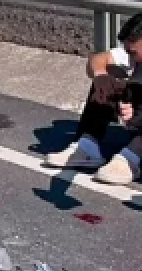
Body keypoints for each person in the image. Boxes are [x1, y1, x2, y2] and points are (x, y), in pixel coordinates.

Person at [42, 12, 142, 185]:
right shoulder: (133, 53)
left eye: (133, 53)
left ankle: (132, 157)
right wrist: (101, 76)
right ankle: (88, 147)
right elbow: (96, 60)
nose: (130, 56)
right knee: (107, 78)